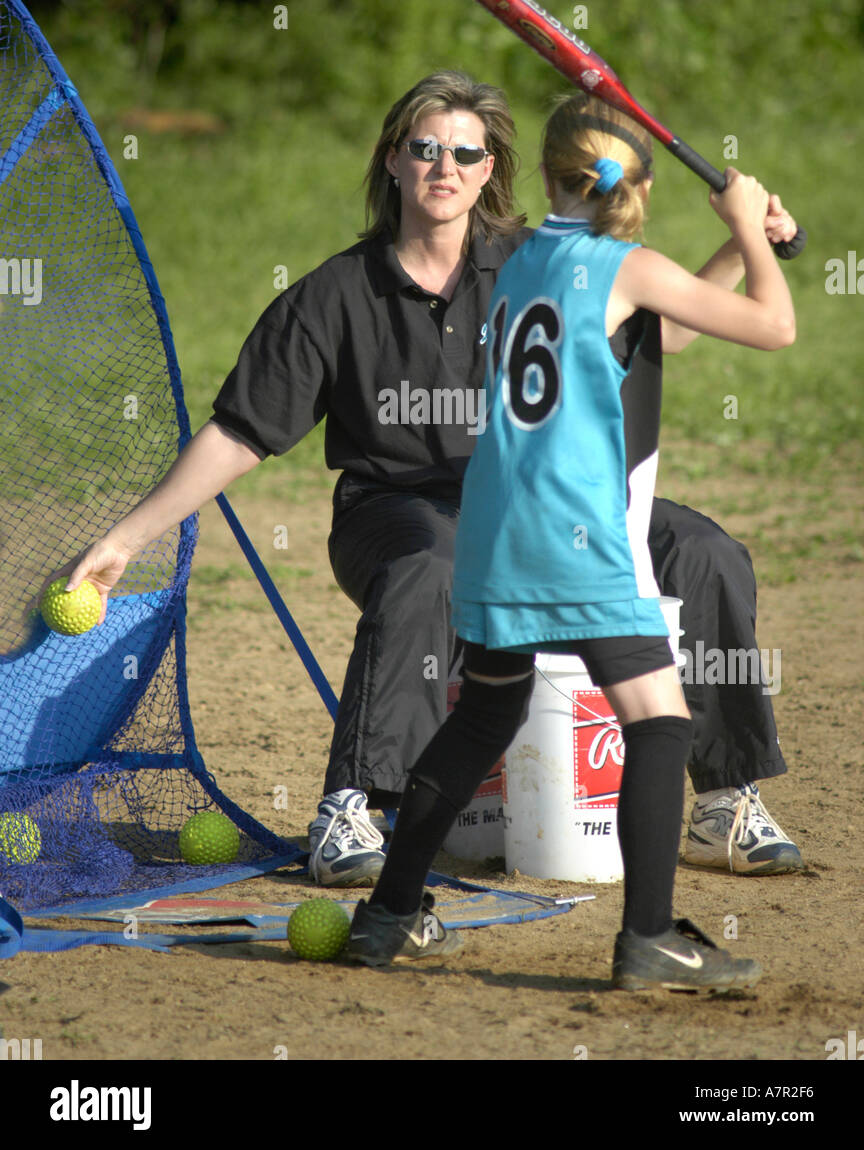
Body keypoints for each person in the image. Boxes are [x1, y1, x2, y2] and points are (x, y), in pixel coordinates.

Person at [63, 71, 801, 890]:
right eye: (424, 149)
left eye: (465, 153)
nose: (443, 167)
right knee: (428, 564)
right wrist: (129, 537)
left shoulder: (540, 261)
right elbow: (242, 433)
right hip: (397, 508)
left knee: (701, 549)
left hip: (542, 501)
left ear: (490, 171)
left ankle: (724, 798)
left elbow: (666, 327)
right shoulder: (334, 296)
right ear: (391, 162)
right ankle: (353, 807)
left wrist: (744, 243)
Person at [346, 94, 795, 989]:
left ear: (547, 176)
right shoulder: (624, 264)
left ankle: (389, 915)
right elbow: (772, 326)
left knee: (483, 716)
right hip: (580, 540)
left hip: (495, 535)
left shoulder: (519, 265)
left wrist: (743, 250)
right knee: (660, 720)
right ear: (638, 185)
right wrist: (750, 230)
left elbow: (651, 323)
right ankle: (650, 938)